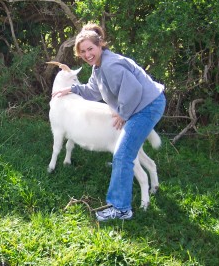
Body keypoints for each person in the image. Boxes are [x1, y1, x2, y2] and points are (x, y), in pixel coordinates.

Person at [52, 23, 166, 221]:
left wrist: (122, 113)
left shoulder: (110, 65)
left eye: (90, 49)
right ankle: (143, 191)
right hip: (143, 105)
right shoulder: (98, 68)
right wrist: (71, 90)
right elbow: (93, 91)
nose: (87, 54)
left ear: (100, 45)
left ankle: (121, 209)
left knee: (122, 155)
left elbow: (134, 90)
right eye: (83, 51)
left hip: (148, 106)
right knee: (125, 152)